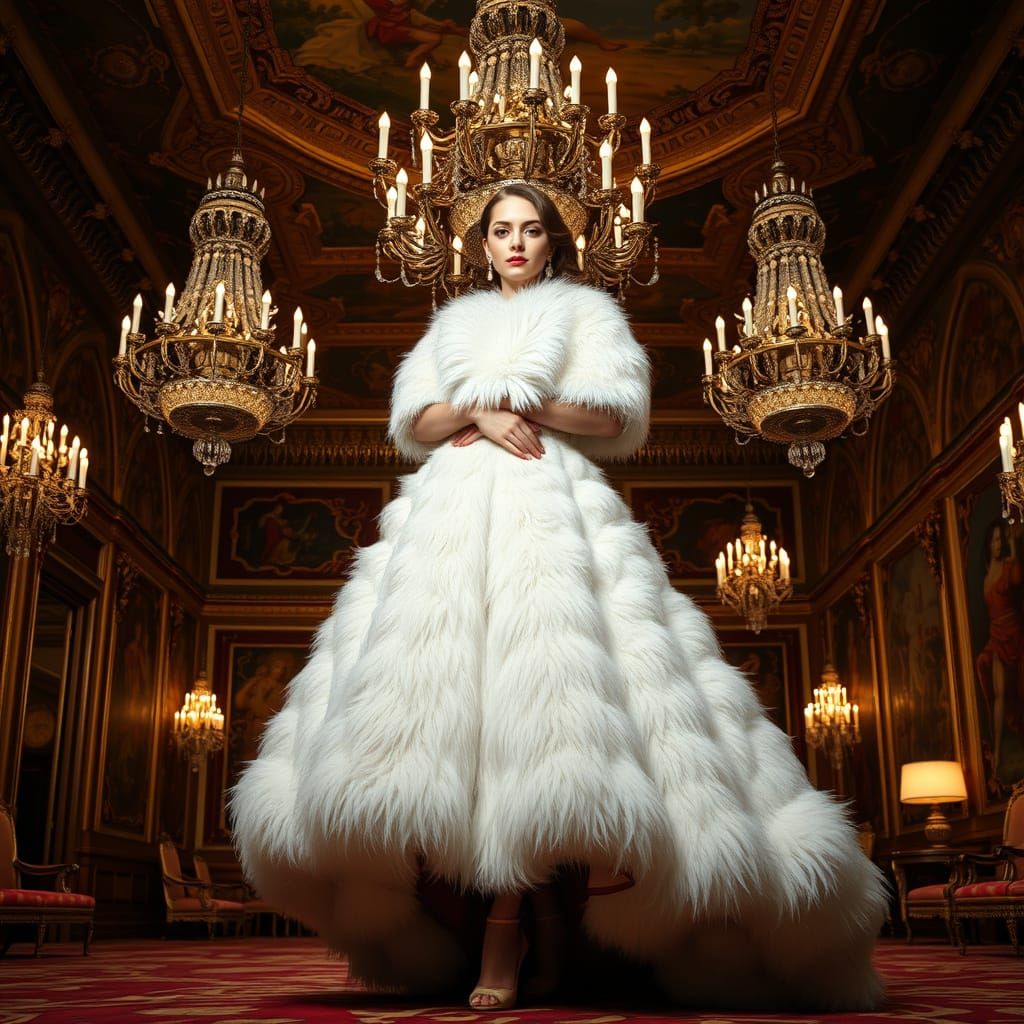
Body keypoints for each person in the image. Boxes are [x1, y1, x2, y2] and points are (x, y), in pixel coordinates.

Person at [231, 182, 886, 1012]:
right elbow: (417, 424)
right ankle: (493, 921)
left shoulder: (586, 313)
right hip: (447, 531)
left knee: (550, 720)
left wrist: (515, 403)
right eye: (502, 229)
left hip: (552, 519)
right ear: (481, 245)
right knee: (439, 725)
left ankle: (517, 925)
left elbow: (613, 418)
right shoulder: (452, 325)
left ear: (552, 243)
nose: (516, 242)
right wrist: (478, 411)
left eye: (532, 229)